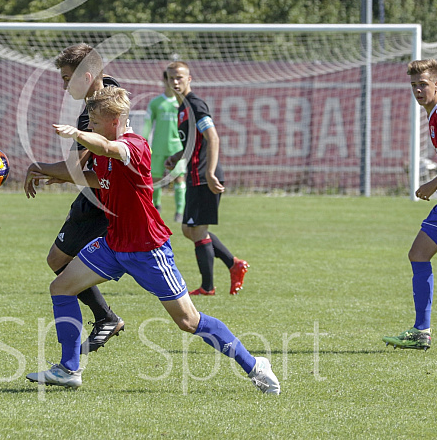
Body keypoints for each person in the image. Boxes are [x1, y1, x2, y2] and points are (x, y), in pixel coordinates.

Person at [25, 86, 280, 394]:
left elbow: (107, 148)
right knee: (61, 287)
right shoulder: (104, 148)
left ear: (116, 119)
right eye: (87, 123)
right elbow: (102, 178)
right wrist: (62, 175)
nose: (88, 126)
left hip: (148, 250)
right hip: (113, 244)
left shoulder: (133, 146)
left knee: (188, 321)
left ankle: (254, 365)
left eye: (93, 121)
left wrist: (76, 136)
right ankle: (69, 368)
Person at [23, 43, 124, 354]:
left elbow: (74, 166)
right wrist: (63, 173)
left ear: (87, 75)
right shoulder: (111, 91)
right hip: (102, 190)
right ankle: (105, 317)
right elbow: (77, 167)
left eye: (67, 78)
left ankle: (104, 319)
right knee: (60, 260)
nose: (63, 85)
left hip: (101, 198)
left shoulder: (95, 111)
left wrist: (36, 167)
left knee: (58, 261)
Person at [383, 59, 437, 351]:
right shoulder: (432, 115)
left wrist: (431, 183)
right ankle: (421, 332)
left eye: (423, 85)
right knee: (418, 254)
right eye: (414, 85)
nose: (418, 90)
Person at [164, 61, 249, 296]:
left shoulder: (195, 105)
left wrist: (210, 173)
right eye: (171, 78)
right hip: (194, 175)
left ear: (189, 79)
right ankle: (234, 263)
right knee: (188, 229)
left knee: (198, 231)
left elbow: (213, 138)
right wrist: (177, 155)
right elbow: (194, 142)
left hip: (203, 175)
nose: (175, 82)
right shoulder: (181, 108)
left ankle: (208, 288)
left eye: (179, 77)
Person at [142, 70, 187, 222]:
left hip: (177, 148)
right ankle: (156, 208)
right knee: (155, 180)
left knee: (179, 179)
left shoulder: (182, 102)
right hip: (158, 147)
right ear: (164, 80)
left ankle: (179, 213)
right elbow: (147, 125)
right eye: (168, 79)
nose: (171, 82)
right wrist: (144, 143)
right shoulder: (156, 103)